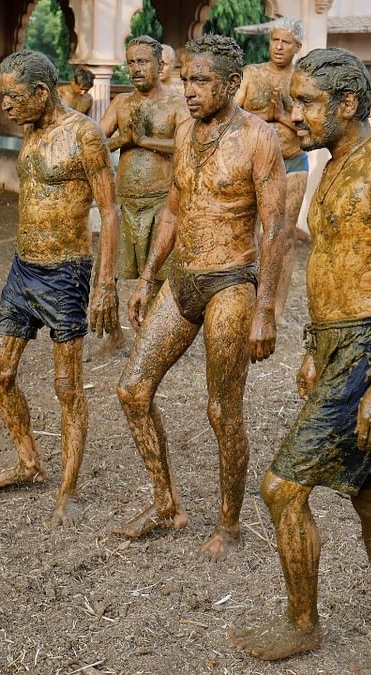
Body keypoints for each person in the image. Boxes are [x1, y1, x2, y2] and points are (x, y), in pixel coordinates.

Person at [229, 48, 371, 672]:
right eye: (292, 103)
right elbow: (330, 266)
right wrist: (315, 349)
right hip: (341, 347)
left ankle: (303, 624)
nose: (294, 118)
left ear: (348, 104)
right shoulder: (332, 166)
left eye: (309, 103)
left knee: (281, 488)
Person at [113, 35, 288, 562]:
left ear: (232, 84)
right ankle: (167, 505)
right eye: (186, 78)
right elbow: (172, 209)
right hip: (182, 280)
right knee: (133, 390)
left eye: (201, 80)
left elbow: (275, 228)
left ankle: (229, 523)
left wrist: (264, 311)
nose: (188, 90)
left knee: (221, 409)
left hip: (231, 283)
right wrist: (146, 278)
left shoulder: (259, 138)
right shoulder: (186, 132)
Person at [0, 49, 121, 528]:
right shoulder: (30, 128)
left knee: (66, 386)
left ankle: (69, 487)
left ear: (42, 92)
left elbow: (111, 211)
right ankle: (28, 462)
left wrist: (105, 285)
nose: (7, 107)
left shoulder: (84, 135)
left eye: (14, 97)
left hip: (66, 273)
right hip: (24, 270)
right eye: (4, 97)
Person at [95, 35, 190, 357]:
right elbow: (94, 145)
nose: (135, 68)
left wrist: (145, 140)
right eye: (131, 62)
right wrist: (124, 138)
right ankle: (114, 336)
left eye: (142, 62)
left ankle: (150, 338)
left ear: (159, 65)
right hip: (125, 204)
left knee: (158, 275)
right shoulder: (121, 104)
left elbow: (187, 147)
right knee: (108, 272)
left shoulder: (177, 104)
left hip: (161, 203)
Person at [236, 17, 309, 321]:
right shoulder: (251, 75)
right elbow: (233, 113)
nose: (279, 47)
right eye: (275, 40)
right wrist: (267, 114)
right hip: (252, 163)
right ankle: (247, 300)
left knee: (284, 235)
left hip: (293, 163)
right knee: (248, 232)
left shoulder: (303, 80)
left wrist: (279, 116)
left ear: (298, 47)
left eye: (286, 42)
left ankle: (276, 307)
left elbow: (308, 123)